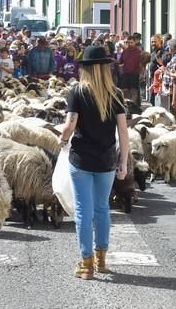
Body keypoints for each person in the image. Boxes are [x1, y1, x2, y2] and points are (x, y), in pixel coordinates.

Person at [59, 45, 128, 280]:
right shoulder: (115, 93)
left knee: (83, 210)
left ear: (86, 68)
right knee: (102, 208)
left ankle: (86, 264)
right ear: (105, 68)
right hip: (107, 159)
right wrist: (124, 161)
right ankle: (101, 259)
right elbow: (123, 131)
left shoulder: (77, 92)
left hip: (81, 159)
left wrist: (62, 138)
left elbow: (70, 124)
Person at [118, 36, 142, 105]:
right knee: (124, 90)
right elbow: (120, 62)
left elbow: (142, 64)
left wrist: (141, 74)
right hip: (125, 74)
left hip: (135, 74)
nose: (130, 44)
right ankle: (126, 105)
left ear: (135, 42)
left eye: (131, 42)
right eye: (128, 43)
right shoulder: (125, 52)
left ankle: (133, 105)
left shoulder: (139, 52)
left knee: (134, 90)